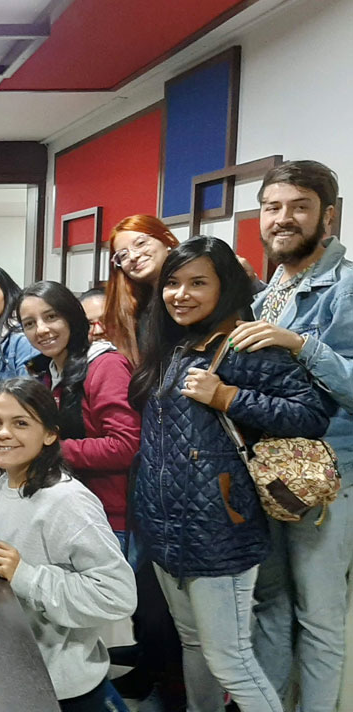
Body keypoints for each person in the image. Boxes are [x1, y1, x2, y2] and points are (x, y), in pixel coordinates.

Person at [129, 237, 330, 712]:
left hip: (219, 530)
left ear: (225, 286)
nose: (181, 294)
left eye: (198, 283)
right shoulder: (173, 346)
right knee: (195, 646)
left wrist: (228, 398)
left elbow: (311, 413)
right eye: (173, 284)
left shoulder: (245, 343)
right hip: (165, 529)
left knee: (231, 659)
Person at [233, 160, 353, 712]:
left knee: (320, 616)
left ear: (327, 217)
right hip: (270, 469)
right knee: (272, 602)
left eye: (298, 207)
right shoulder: (274, 285)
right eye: (272, 207)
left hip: (329, 475)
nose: (283, 219)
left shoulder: (346, 285)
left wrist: (300, 345)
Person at [0, 378, 136, 712]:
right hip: (12, 674)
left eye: (21, 423)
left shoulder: (69, 502)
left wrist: (26, 576)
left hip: (65, 690)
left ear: (50, 433)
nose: (3, 433)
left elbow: (117, 594)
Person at [6, 281, 139, 539]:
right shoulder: (48, 371)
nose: (41, 330)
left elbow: (125, 446)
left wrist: (48, 450)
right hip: (68, 508)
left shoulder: (104, 364)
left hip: (109, 518)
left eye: (51, 317)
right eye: (29, 323)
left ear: (72, 316)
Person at [101, 215, 179, 364]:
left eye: (141, 243)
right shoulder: (138, 310)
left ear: (167, 239)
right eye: (123, 255)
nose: (133, 256)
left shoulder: (203, 289)